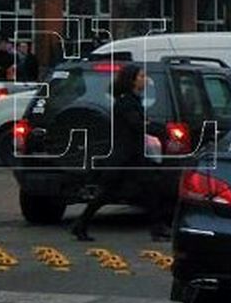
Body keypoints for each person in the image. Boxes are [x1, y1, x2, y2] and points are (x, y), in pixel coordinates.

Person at [70, 64, 172, 242]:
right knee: (109, 193)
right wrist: (160, 129)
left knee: (151, 189)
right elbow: (137, 124)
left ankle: (157, 228)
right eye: (141, 77)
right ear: (132, 80)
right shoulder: (126, 102)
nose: (144, 80)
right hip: (126, 157)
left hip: (132, 156)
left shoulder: (132, 100)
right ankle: (81, 224)